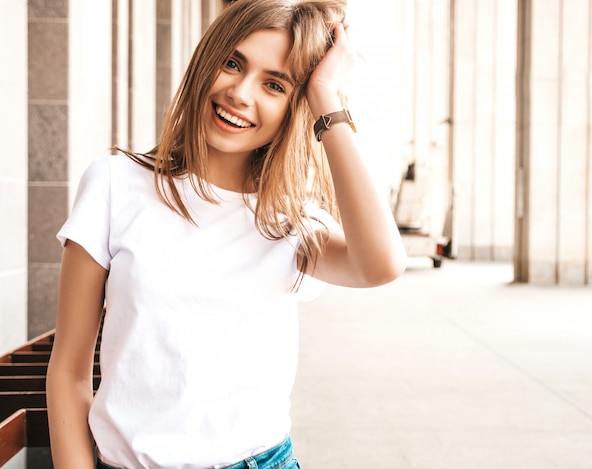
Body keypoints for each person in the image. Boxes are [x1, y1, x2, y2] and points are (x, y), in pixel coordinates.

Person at [46, 0, 406, 467]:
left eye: (274, 85)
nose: (240, 92)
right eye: (232, 63)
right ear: (205, 61)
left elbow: (381, 264)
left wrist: (326, 94)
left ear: (295, 107)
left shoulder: (289, 220)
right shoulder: (115, 185)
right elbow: (69, 371)